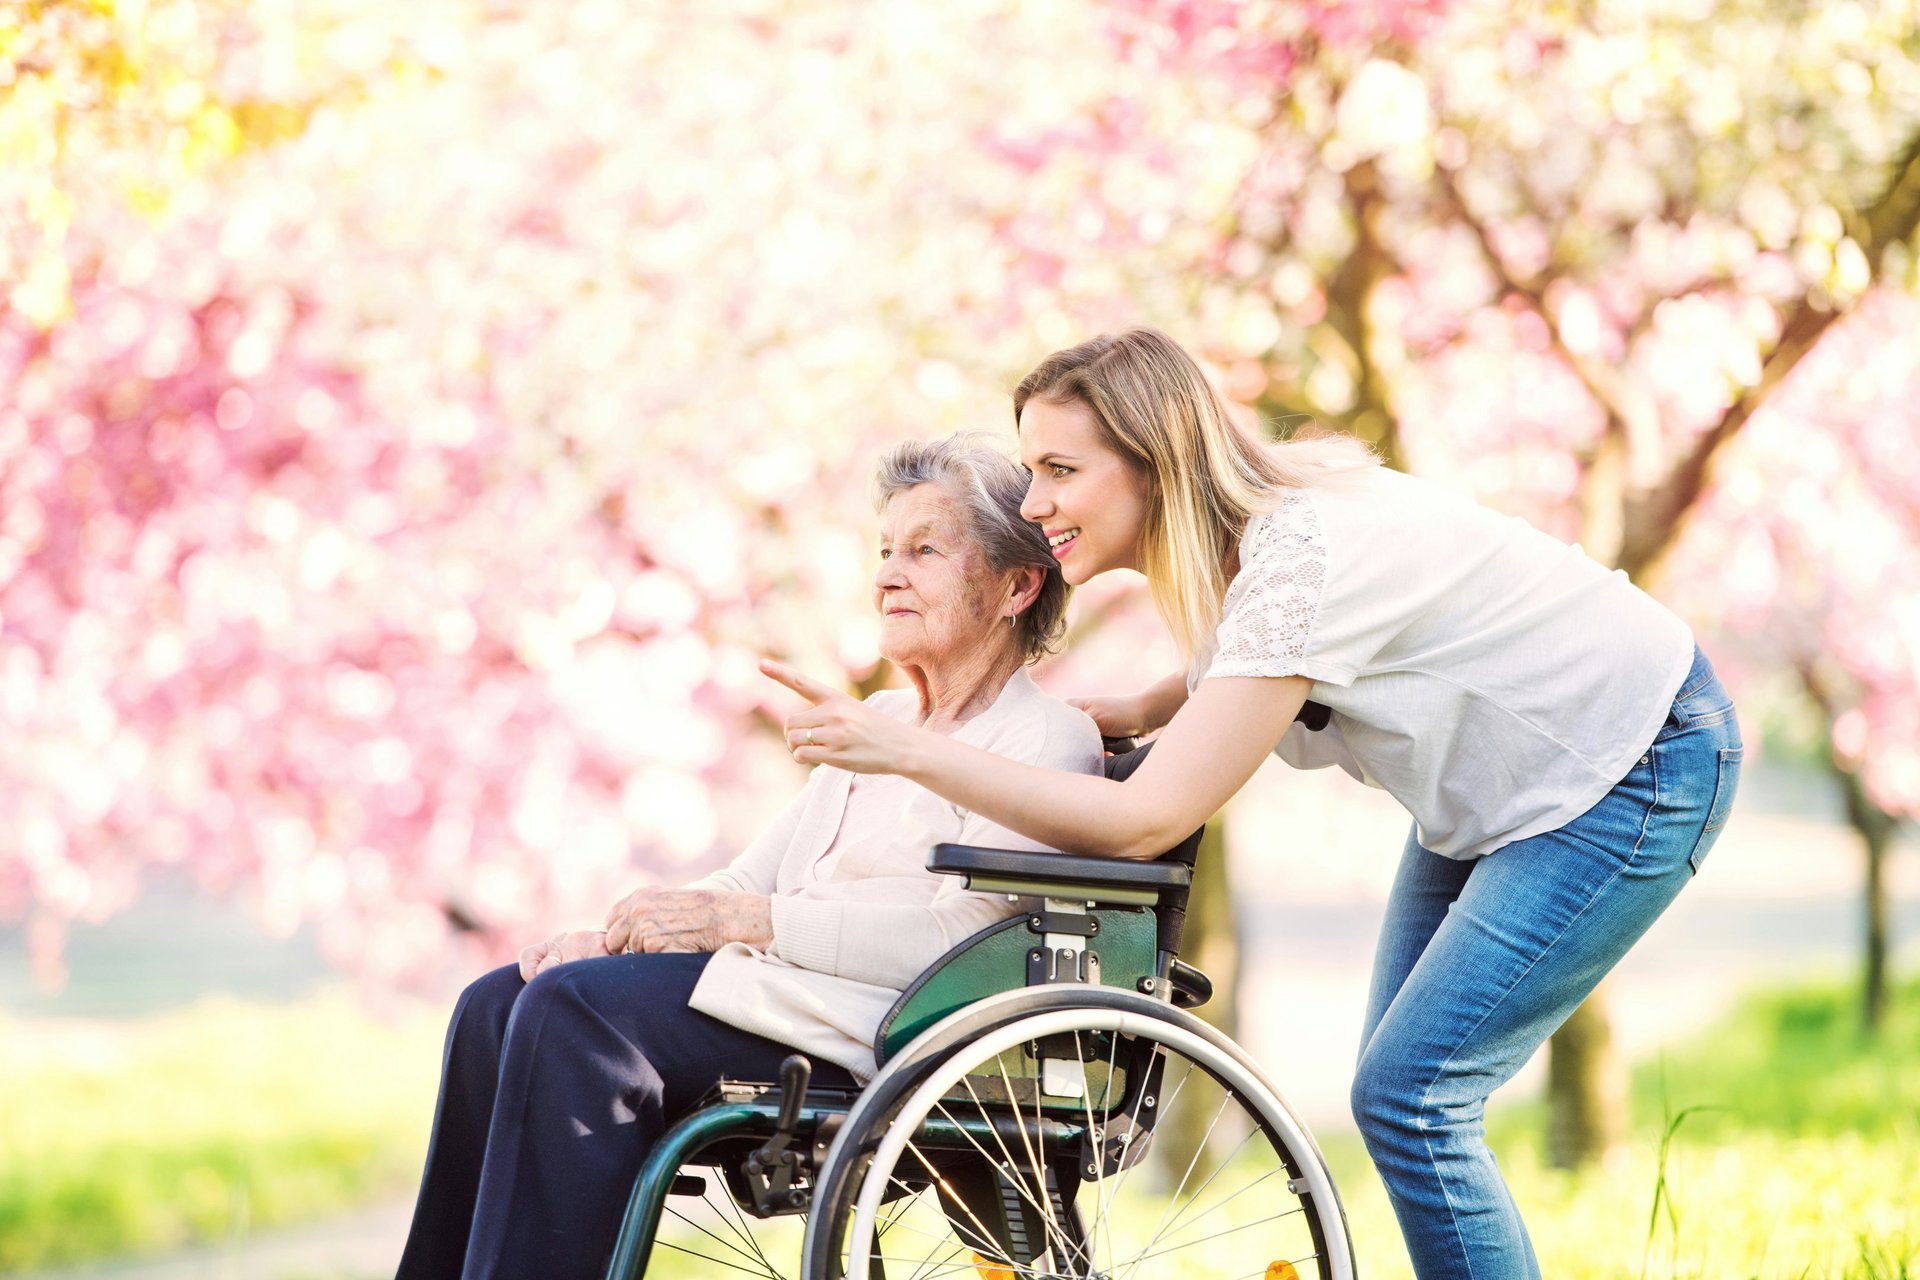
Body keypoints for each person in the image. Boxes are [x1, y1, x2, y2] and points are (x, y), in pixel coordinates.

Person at [764, 329, 1743, 1280]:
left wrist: (908, 751)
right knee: (1404, 1093)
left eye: (1060, 469)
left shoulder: (1299, 559)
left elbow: (1145, 818)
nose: (1033, 500)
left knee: (1414, 1095)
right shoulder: (1253, 535)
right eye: (1029, 469)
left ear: (1155, 461)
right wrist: (1155, 699)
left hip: (1634, 759)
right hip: (1503, 787)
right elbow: (1276, 643)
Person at [395, 435, 1104, 1280]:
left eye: (924, 551)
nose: (885, 575)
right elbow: (748, 882)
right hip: (781, 994)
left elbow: (966, 940)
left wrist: (750, 923)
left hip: (877, 1028)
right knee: (496, 1002)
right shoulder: (883, 717)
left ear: (1016, 587)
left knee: (574, 1016)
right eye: (884, 551)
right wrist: (626, 935)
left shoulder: (1047, 737)